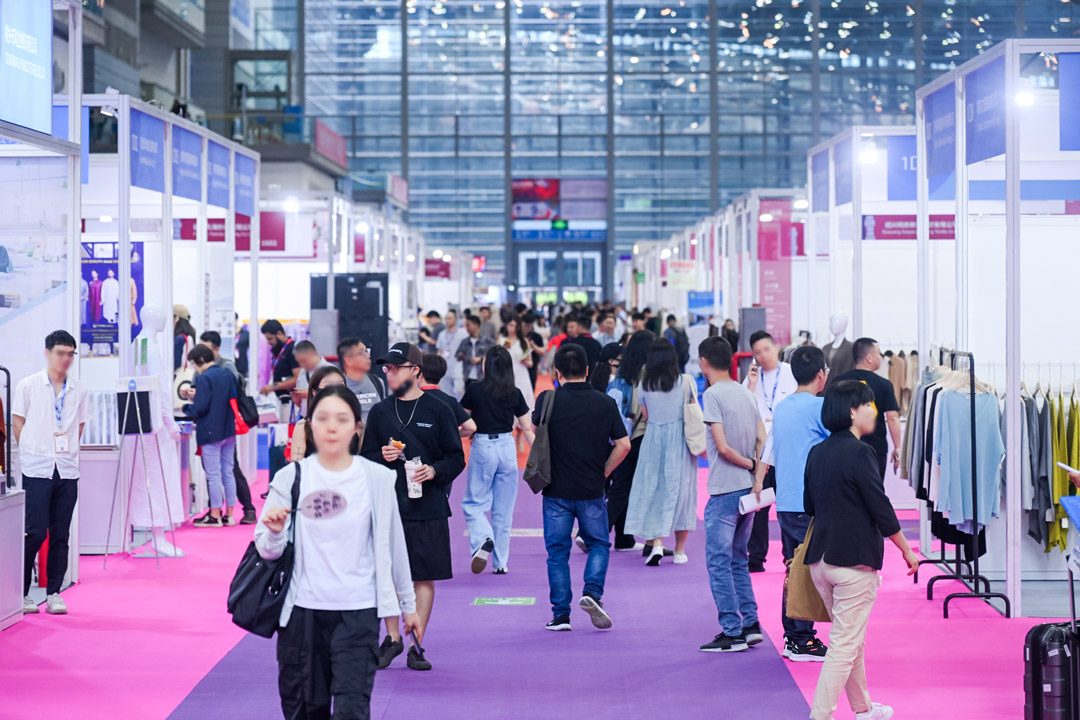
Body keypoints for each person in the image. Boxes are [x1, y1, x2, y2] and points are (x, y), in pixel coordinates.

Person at [256, 386, 420, 720]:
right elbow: (266, 550)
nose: (332, 427)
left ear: (356, 426)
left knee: (352, 708)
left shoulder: (377, 478)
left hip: (358, 613)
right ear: (309, 425)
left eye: (342, 419)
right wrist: (274, 532)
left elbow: (394, 545)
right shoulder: (290, 479)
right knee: (303, 709)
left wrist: (408, 605)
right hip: (301, 613)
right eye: (323, 418)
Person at [804, 380, 919, 720]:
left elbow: (810, 505)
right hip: (852, 563)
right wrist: (907, 549)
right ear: (853, 411)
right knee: (844, 644)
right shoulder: (861, 452)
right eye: (869, 405)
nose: (874, 411)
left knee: (850, 639)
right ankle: (820, 715)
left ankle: (863, 708)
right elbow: (880, 506)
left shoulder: (817, 452)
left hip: (821, 561)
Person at [360, 343, 466, 671]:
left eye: (396, 367)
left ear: (416, 370)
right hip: (389, 504)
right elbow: (365, 459)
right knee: (389, 574)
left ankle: (416, 645)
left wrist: (433, 470)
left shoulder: (440, 409)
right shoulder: (380, 412)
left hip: (429, 503)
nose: (389, 373)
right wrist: (382, 456)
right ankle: (392, 637)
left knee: (424, 575)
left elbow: (455, 458)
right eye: (387, 368)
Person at [535, 345, 631, 631]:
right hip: (592, 488)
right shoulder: (605, 402)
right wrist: (605, 471)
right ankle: (592, 592)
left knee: (557, 554)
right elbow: (624, 445)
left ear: (557, 372)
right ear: (588, 370)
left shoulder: (547, 400)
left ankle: (560, 616)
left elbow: (536, 430)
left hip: (555, 490)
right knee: (599, 544)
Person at [759, 346, 831, 662]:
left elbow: (771, 451)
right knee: (804, 569)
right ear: (821, 374)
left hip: (787, 499)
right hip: (808, 500)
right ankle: (800, 638)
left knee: (794, 566)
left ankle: (796, 637)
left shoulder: (783, 406)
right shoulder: (820, 408)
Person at [697, 336, 767, 653]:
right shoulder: (745, 393)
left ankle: (732, 631)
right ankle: (750, 625)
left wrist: (750, 464)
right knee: (738, 559)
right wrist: (756, 473)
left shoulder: (712, 395)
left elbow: (723, 448)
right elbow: (763, 439)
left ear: (704, 362)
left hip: (724, 489)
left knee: (719, 562)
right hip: (747, 489)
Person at [15, 330, 90, 615]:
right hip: (36, 468)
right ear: (48, 353)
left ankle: (54, 593)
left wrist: (66, 451)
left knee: (60, 534)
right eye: (60, 353)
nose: (65, 359)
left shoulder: (79, 390)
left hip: (67, 470)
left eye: (70, 354)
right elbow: (18, 423)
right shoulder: (28, 385)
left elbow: (79, 426)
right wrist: (32, 451)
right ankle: (21, 593)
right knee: (34, 532)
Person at [460, 346, 536, 574]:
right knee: (504, 510)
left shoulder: (474, 389)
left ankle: (484, 538)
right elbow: (527, 428)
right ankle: (501, 563)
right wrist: (542, 455)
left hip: (483, 446)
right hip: (507, 448)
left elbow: (464, 422)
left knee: (474, 503)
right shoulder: (514, 392)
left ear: (487, 366)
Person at [625, 339, 698, 565]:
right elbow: (693, 411)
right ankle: (679, 551)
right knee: (683, 492)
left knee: (654, 490)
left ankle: (656, 542)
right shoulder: (686, 381)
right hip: (680, 441)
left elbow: (646, 415)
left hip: (654, 439)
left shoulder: (645, 384)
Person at [743, 330, 798, 572]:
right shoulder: (752, 379)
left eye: (766, 349)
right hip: (761, 451)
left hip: (787, 449)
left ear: (776, 348)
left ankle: (791, 557)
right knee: (759, 504)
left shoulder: (792, 373)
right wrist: (751, 385)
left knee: (788, 505)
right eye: (757, 352)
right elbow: (744, 408)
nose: (763, 355)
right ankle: (756, 557)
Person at [196, 330, 258, 525]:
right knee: (224, 471)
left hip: (217, 427)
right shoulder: (214, 371)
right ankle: (225, 513)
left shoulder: (222, 368)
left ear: (216, 349)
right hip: (225, 426)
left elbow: (225, 396)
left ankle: (234, 511)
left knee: (223, 472)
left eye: (206, 348)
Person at [605, 330, 655, 553]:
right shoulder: (648, 376)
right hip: (640, 437)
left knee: (622, 487)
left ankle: (623, 538)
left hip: (619, 438)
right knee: (627, 489)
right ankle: (595, 534)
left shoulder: (621, 376)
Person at [182, 345, 238, 527]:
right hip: (229, 428)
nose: (194, 368)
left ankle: (215, 515)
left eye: (193, 364)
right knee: (228, 472)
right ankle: (229, 514)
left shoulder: (205, 378)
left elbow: (200, 407)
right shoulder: (227, 373)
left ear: (200, 360)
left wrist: (186, 407)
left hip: (210, 430)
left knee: (213, 474)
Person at [832, 338, 902, 481]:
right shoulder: (884, 384)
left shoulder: (838, 382)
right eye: (879, 353)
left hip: (842, 447)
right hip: (875, 449)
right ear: (869, 357)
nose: (881, 357)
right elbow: (892, 417)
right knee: (874, 489)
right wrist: (898, 447)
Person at [290, 365, 349, 460]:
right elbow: (296, 465)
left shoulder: (357, 425)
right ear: (314, 392)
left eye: (340, 386)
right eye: (328, 386)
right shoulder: (303, 427)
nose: (336, 391)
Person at [418, 353, 476, 438]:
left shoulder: (411, 398)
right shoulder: (450, 400)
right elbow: (471, 428)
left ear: (420, 374)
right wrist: (449, 436)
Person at [338, 337, 386, 424]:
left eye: (367, 351)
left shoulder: (377, 382)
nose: (368, 356)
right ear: (348, 360)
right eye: (362, 352)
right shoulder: (337, 387)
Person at [498, 317, 536, 426]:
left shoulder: (524, 341)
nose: (513, 328)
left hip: (521, 374)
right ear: (506, 326)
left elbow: (531, 363)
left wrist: (526, 362)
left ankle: (521, 430)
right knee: (506, 401)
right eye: (511, 325)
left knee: (523, 401)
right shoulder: (501, 340)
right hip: (506, 375)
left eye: (515, 326)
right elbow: (495, 360)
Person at [260, 320, 300, 400]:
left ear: (279, 333)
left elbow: (298, 379)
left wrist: (274, 387)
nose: (268, 342)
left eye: (270, 339)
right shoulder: (278, 349)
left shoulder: (293, 349)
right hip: (280, 398)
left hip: (290, 400)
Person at [292, 340, 334, 418]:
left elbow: (336, 396)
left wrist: (310, 394)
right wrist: (296, 396)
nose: (302, 364)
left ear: (314, 354)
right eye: (299, 362)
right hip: (306, 417)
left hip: (326, 418)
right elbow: (299, 403)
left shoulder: (331, 370)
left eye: (304, 360)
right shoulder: (302, 372)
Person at [435, 309, 469, 400]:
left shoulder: (463, 334)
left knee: (459, 389)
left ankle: (460, 407)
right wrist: (437, 365)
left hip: (458, 366)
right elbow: (440, 350)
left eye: (450, 318)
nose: (447, 321)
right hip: (445, 367)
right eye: (446, 318)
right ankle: (449, 408)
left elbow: (468, 349)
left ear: (455, 319)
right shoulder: (441, 334)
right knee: (446, 392)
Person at [456, 315, 494, 388]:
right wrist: (462, 356)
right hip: (468, 376)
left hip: (483, 376)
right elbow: (457, 356)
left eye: (468, 325)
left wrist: (480, 358)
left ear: (476, 325)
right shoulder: (465, 341)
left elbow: (493, 356)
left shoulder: (487, 341)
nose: (467, 327)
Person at [520, 313, 546, 389]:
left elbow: (542, 352)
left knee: (530, 389)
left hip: (532, 369)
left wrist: (533, 346)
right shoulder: (517, 336)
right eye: (525, 326)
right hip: (518, 368)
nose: (527, 328)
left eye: (529, 326)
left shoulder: (536, 337)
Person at [173, 305, 196, 371]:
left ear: (176, 318)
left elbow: (175, 363)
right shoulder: (189, 335)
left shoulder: (180, 339)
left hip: (179, 374)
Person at [235, 313, 249, 378]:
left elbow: (254, 352)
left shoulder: (246, 334)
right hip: (229, 366)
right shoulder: (227, 337)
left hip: (242, 368)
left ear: (236, 320)